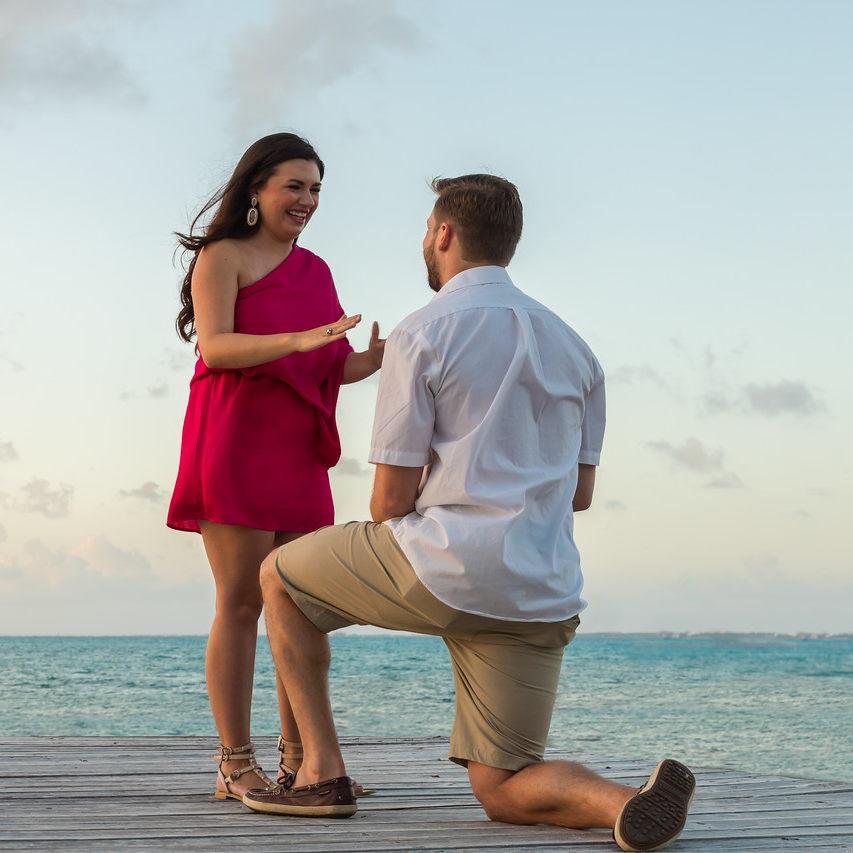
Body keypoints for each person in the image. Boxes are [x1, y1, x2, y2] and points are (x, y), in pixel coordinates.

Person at [245, 173, 696, 851]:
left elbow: (389, 501)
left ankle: (320, 771)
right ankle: (622, 801)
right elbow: (578, 493)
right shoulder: (575, 348)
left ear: (445, 234)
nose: (424, 239)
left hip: (441, 562)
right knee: (503, 786)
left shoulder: (422, 331)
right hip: (538, 591)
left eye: (427, 228)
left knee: (280, 574)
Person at [167, 133, 383, 801]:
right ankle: (234, 765)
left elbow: (329, 363)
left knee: (302, 604)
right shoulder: (221, 255)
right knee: (240, 602)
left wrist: (372, 361)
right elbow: (218, 346)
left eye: (315, 189)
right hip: (233, 435)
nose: (307, 200)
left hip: (295, 446)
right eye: (294, 185)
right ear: (256, 189)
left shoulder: (315, 269)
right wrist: (296, 340)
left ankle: (306, 760)